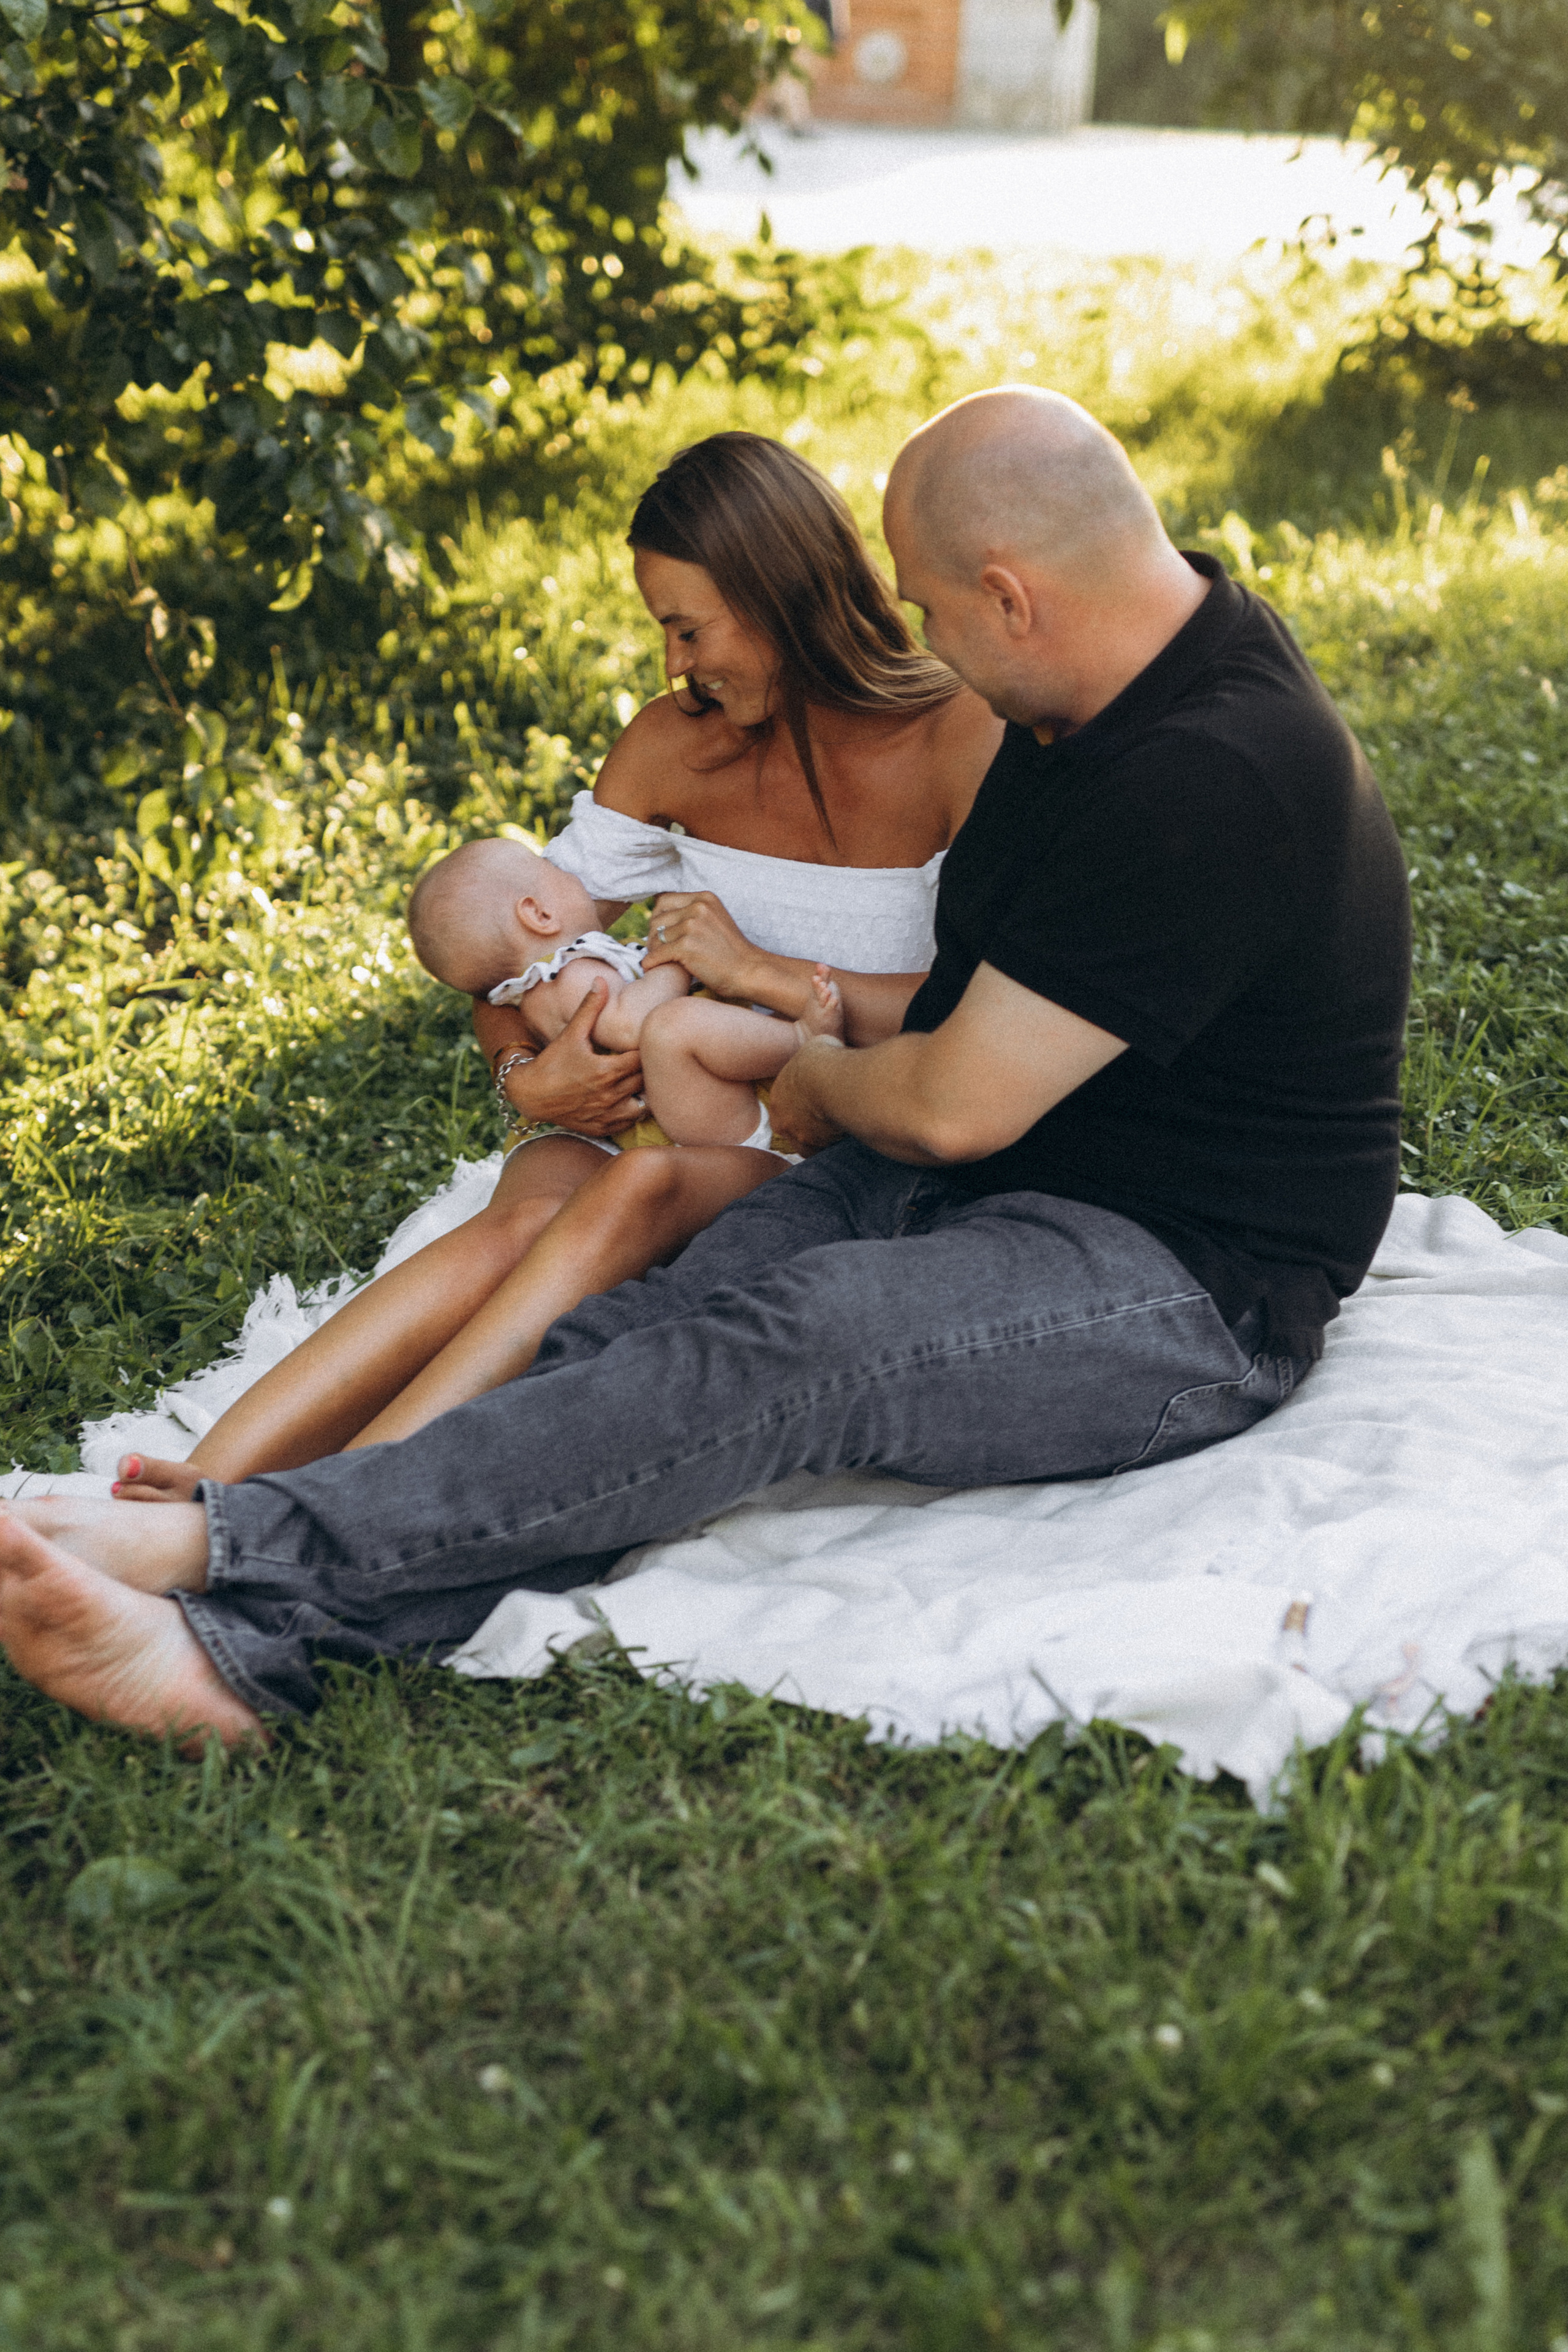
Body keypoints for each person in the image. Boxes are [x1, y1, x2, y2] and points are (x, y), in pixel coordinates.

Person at [0, 385, 1414, 1747]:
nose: (924, 636)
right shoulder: (1093, 693)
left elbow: (946, 1103)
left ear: (1009, 594)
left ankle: (220, 1571)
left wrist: (802, 1073)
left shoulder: (1210, 771)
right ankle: (258, 1610)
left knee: (787, 1350)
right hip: (997, 1175)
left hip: (1179, 1277)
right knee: (634, 1341)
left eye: (927, 604)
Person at [104, 429, 1001, 1498]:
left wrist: (762, 970)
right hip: (670, 1096)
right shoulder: (675, 744)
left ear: (780, 591)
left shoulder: (960, 736)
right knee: (530, 1204)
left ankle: (329, 1510)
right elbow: (509, 948)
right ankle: (200, 1479)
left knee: (639, 1191)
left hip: (830, 1130)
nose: (673, 664)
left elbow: (985, 1010)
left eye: (686, 628)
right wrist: (526, 1078)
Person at [407, 835, 845, 1156]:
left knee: (675, 1026)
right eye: (553, 869)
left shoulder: (534, 993)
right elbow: (629, 1025)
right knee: (673, 1027)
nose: (571, 873)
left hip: (686, 1115)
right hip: (717, 1122)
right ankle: (803, 1041)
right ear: (538, 914)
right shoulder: (569, 973)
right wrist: (672, 959)